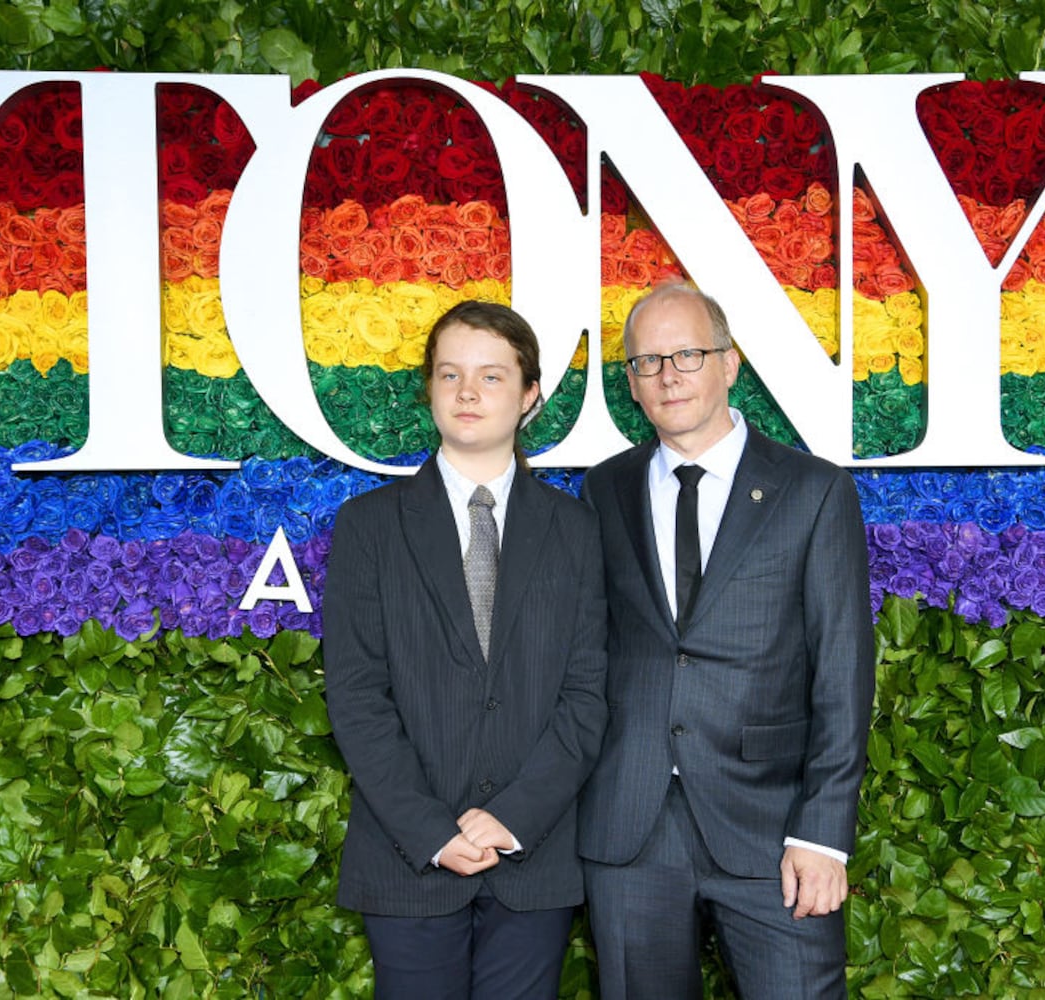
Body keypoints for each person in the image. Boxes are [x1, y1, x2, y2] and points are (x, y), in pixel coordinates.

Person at [579, 282, 875, 999]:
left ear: (729, 362)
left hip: (774, 829)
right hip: (630, 830)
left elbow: (842, 670)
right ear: (630, 383)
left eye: (687, 353)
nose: (668, 374)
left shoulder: (812, 491)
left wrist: (822, 832)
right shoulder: (603, 490)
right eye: (647, 362)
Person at [324, 300, 608, 1000]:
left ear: (530, 395)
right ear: (429, 389)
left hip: (533, 858)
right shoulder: (368, 528)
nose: (468, 392)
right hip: (407, 857)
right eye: (449, 375)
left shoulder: (574, 531)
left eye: (490, 375)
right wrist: (429, 830)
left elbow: (586, 694)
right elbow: (358, 699)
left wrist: (514, 815)